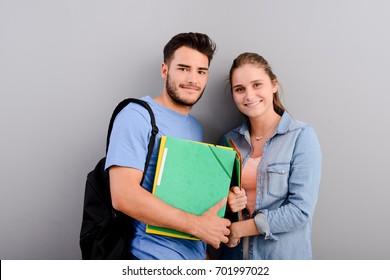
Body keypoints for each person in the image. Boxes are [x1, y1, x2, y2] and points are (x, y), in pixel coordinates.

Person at [105, 32, 231, 260]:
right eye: (183, 68)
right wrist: (197, 226)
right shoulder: (136, 116)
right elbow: (123, 195)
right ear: (165, 70)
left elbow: (188, 196)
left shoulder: (195, 127)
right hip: (150, 259)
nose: (193, 79)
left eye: (201, 71)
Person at [220, 52, 322, 259]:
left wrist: (239, 229)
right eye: (240, 89)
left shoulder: (301, 136)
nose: (249, 96)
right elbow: (214, 205)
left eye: (257, 85)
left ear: (274, 85)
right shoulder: (228, 141)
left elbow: (300, 211)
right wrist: (228, 201)